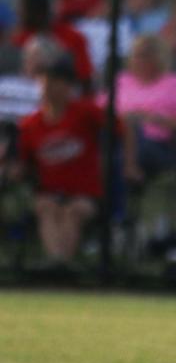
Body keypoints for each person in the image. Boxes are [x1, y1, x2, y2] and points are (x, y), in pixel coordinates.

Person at [16, 57, 139, 266]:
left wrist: (129, 164)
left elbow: (123, 128)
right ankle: (58, 263)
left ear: (68, 86)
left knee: (74, 211)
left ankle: (60, 264)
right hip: (50, 192)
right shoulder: (30, 123)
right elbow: (22, 164)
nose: (49, 87)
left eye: (56, 82)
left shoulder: (85, 112)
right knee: (46, 207)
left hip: (86, 195)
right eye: (45, 81)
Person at [111, 35, 176, 177]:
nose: (138, 60)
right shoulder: (122, 80)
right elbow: (100, 109)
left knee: (126, 143)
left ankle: (126, 178)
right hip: (117, 137)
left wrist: (154, 119)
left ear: (159, 57)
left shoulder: (173, 83)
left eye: (145, 55)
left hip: (157, 144)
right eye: (135, 55)